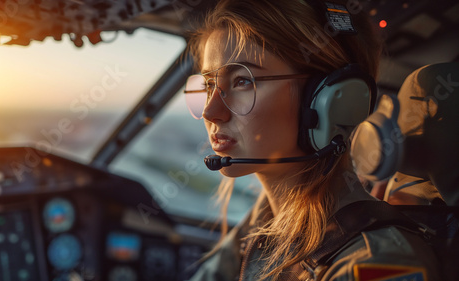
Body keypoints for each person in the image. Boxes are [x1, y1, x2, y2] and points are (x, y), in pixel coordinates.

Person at [183, 0, 440, 280]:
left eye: (242, 81)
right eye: (208, 85)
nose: (211, 111)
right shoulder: (269, 216)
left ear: (329, 99)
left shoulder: (378, 261)